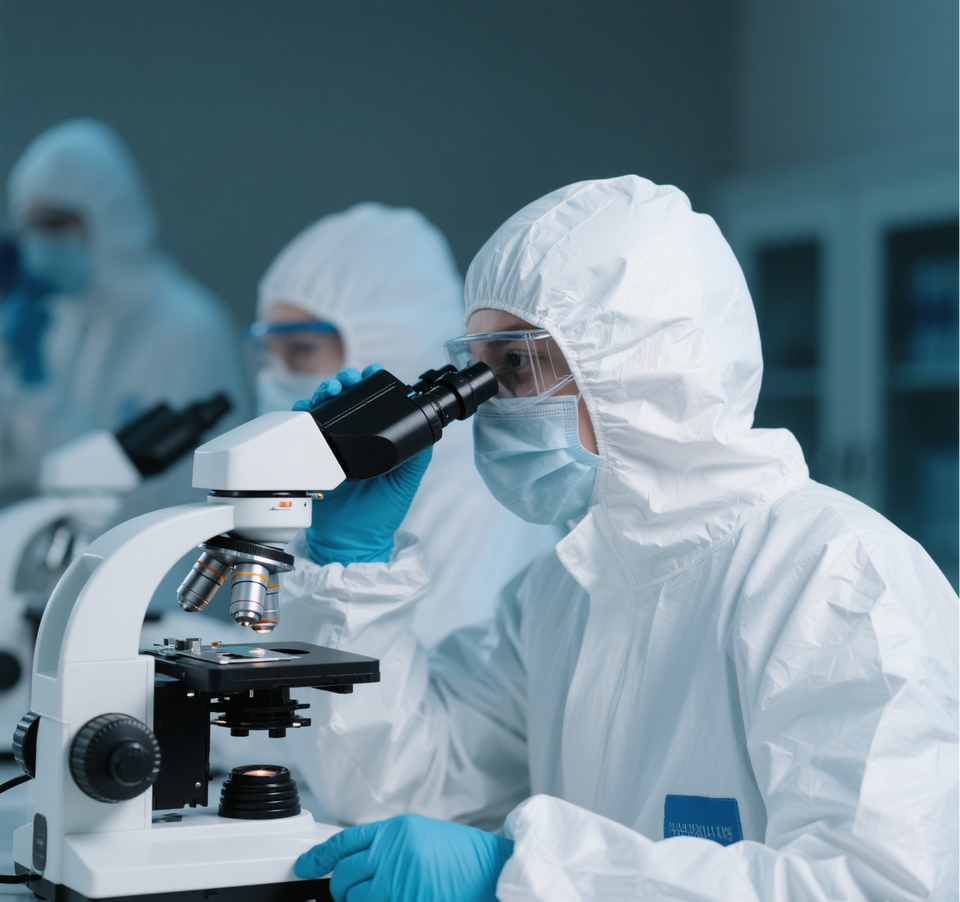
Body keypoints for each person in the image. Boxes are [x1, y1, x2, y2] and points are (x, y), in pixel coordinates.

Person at [281, 177, 960, 902]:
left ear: (644, 368)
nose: (489, 405)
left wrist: (524, 875)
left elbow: (876, 884)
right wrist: (351, 573)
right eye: (479, 367)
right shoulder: (566, 588)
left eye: (517, 365)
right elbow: (402, 782)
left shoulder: (835, 574)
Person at [251, 203, 555, 645]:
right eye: (269, 353)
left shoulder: (476, 492)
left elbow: (429, 674)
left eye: (300, 350)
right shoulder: (335, 483)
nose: (275, 377)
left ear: (393, 342)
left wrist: (351, 564)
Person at [0, 119, 250, 513]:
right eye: (30, 226)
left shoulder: (188, 329)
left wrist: (40, 396)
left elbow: (156, 496)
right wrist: (24, 380)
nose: (40, 242)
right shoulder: (58, 321)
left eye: (54, 223)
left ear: (109, 214)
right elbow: (23, 467)